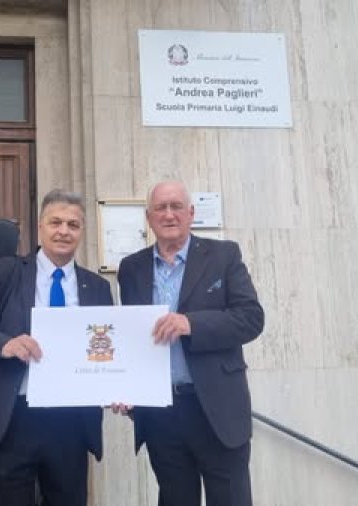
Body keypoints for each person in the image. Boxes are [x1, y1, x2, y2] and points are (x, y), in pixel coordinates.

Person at [0, 189, 113, 506]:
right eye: (56, 222)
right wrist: (5, 344)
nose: (63, 231)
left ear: (82, 232)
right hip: (11, 417)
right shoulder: (7, 272)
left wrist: (117, 386)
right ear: (40, 227)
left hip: (70, 423)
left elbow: (107, 351)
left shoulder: (97, 287)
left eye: (73, 224)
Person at [116, 180, 264, 506]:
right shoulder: (131, 269)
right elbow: (133, 338)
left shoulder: (223, 256)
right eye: (160, 208)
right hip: (162, 415)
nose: (169, 215)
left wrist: (191, 324)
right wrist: (124, 385)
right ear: (149, 217)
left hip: (216, 410)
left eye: (176, 206)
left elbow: (251, 318)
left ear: (191, 213)